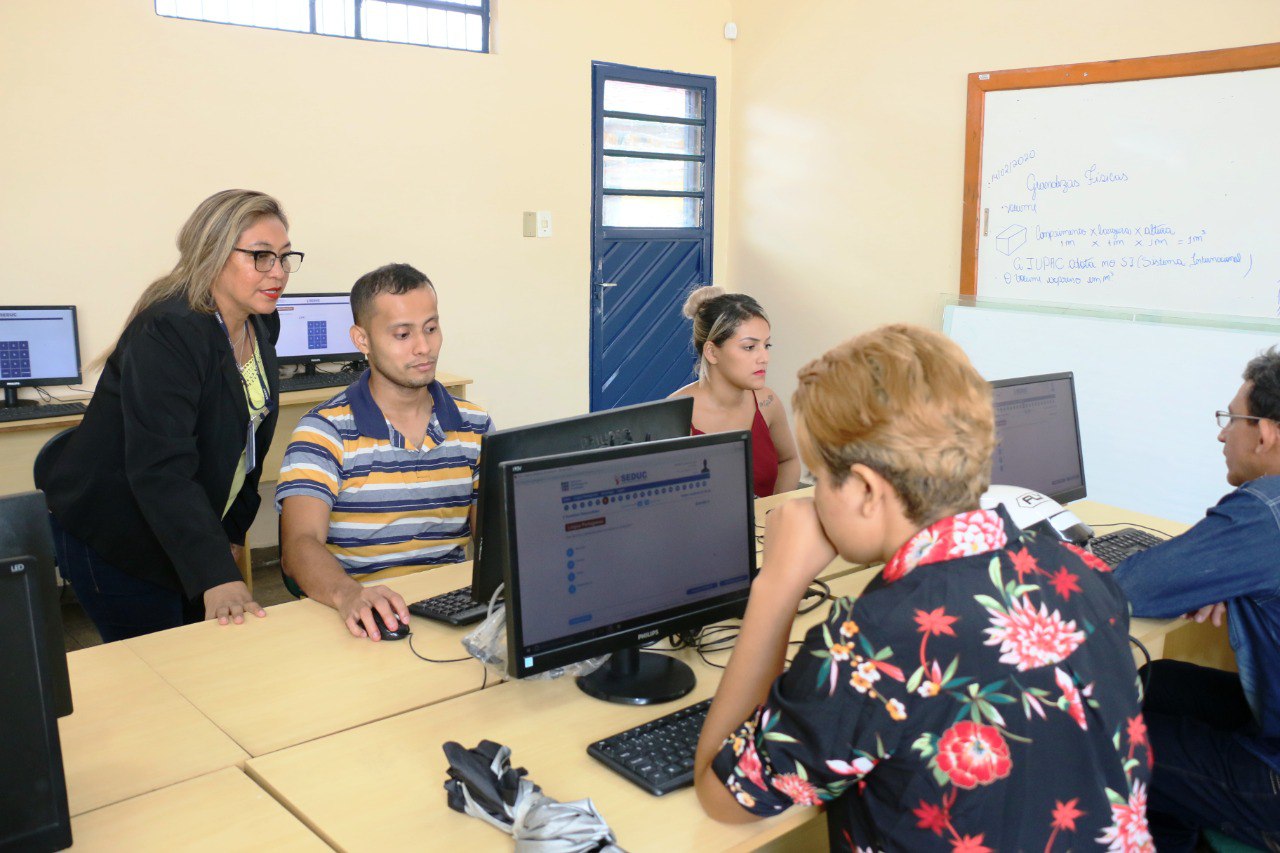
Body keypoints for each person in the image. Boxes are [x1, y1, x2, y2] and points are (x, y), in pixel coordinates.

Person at [693, 325, 1152, 851]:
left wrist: (776, 587)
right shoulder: (1078, 570)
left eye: (817, 478)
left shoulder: (871, 645)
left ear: (866, 489)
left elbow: (724, 796)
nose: (813, 497)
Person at [40, 189, 296, 641]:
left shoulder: (260, 324)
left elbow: (248, 444)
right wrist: (215, 574)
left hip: (180, 524)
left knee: (194, 655)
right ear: (213, 254)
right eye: (260, 256)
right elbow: (162, 468)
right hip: (118, 532)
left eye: (283, 257)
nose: (278, 272)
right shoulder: (169, 330)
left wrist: (232, 530)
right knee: (158, 671)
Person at [1111, 348, 1280, 851]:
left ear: (1267, 431)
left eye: (1233, 419)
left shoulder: (1265, 514)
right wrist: (1226, 581)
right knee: (1150, 679)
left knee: (1099, 732)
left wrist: (1207, 578)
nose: (1223, 434)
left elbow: (1130, 587)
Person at [276, 263, 492, 641]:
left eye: (431, 328)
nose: (424, 347)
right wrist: (349, 595)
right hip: (359, 615)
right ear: (362, 339)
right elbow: (298, 546)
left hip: (450, 612)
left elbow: (494, 535)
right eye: (402, 334)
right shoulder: (324, 431)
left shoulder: (475, 426)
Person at [670, 286, 799, 497]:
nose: (764, 358)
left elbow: (789, 460)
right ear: (712, 352)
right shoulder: (675, 415)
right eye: (749, 347)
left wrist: (774, 511)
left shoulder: (767, 403)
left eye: (767, 346)